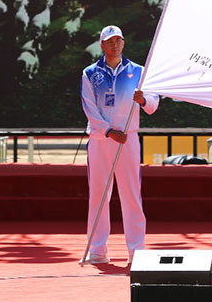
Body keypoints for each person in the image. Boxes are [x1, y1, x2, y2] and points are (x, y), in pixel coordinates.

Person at [81, 25, 159, 265]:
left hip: (128, 139)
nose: (114, 45)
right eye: (109, 41)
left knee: (131, 194)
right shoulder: (90, 73)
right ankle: (97, 250)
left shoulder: (138, 71)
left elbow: (154, 103)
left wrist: (143, 99)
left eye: (118, 41)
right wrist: (108, 131)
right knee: (99, 195)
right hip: (101, 140)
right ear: (102, 45)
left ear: (123, 43)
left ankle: (137, 251)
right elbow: (89, 106)